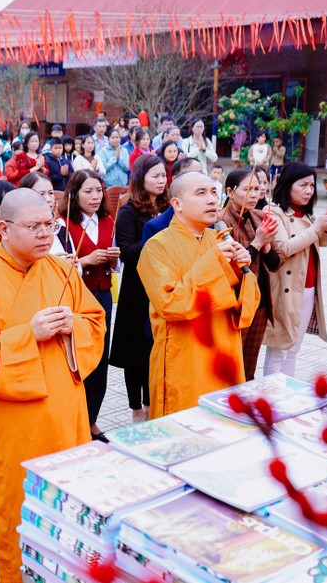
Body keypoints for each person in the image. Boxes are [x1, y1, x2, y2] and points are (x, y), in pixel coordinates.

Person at [0, 188, 106, 583]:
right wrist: (27, 334)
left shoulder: (60, 270)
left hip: (66, 416)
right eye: (32, 227)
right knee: (16, 511)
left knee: (67, 510)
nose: (44, 234)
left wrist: (75, 327)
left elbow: (95, 320)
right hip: (12, 423)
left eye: (49, 225)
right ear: (3, 229)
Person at [140, 172, 261, 419]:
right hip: (185, 359)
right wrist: (216, 262)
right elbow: (172, 304)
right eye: (201, 193)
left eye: (214, 192)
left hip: (224, 353)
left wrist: (242, 273)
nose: (211, 200)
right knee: (184, 431)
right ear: (177, 204)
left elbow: (246, 307)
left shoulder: (218, 240)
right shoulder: (156, 247)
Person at [263, 162, 327, 377]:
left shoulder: (307, 215)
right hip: (285, 289)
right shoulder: (275, 213)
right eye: (303, 185)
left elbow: (320, 242)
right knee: (279, 349)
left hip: (308, 288)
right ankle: (270, 399)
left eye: (312, 185)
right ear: (288, 184)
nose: (309, 191)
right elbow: (285, 247)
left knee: (294, 349)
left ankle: (286, 396)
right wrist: (317, 227)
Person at [110, 155, 169, 424]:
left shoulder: (170, 206)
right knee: (135, 354)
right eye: (155, 175)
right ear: (140, 177)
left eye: (163, 175)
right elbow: (127, 252)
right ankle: (136, 408)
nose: (161, 180)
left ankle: (151, 403)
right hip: (136, 289)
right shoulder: (128, 210)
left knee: (155, 349)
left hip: (163, 284)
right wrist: (156, 237)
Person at [60, 169, 118, 440]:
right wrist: (85, 260)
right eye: (88, 191)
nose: (95, 197)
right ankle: (75, 420)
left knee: (100, 360)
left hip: (103, 295)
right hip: (76, 299)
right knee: (78, 359)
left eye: (98, 190)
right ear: (74, 194)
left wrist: (113, 258)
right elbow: (59, 266)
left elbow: (116, 265)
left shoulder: (107, 220)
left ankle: (92, 418)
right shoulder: (63, 224)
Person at [220, 168, 282, 380]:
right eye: (247, 189)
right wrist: (257, 242)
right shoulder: (221, 221)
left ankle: (244, 410)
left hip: (260, 302)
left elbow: (275, 263)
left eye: (257, 188)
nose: (254, 194)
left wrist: (264, 244)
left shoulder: (259, 217)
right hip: (234, 304)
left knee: (249, 368)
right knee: (230, 366)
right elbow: (233, 267)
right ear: (230, 191)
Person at [20, 172, 77, 259]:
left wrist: (75, 264)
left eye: (50, 193)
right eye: (41, 194)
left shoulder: (60, 225)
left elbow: (77, 266)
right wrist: (52, 263)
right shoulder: (22, 230)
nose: (48, 199)